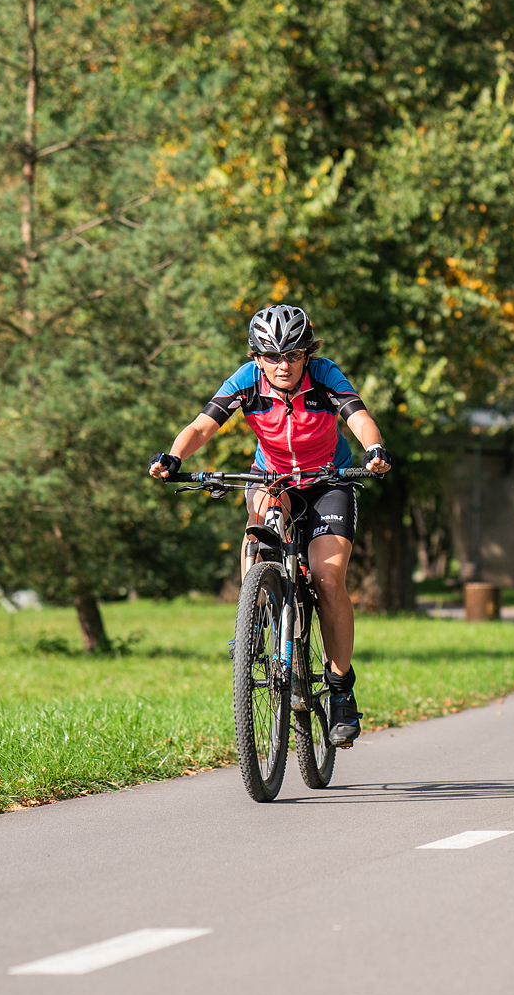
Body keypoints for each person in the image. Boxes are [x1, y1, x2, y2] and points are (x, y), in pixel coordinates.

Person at [149, 304, 392, 749]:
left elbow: (357, 415)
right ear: (257, 356)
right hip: (273, 479)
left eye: (294, 355)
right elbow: (204, 425)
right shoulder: (246, 379)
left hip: (328, 481)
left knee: (327, 576)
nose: (284, 365)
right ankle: (254, 622)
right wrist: (174, 456)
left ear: (307, 353)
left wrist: (373, 447)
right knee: (256, 534)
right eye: (272, 356)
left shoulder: (324, 375)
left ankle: (340, 690)